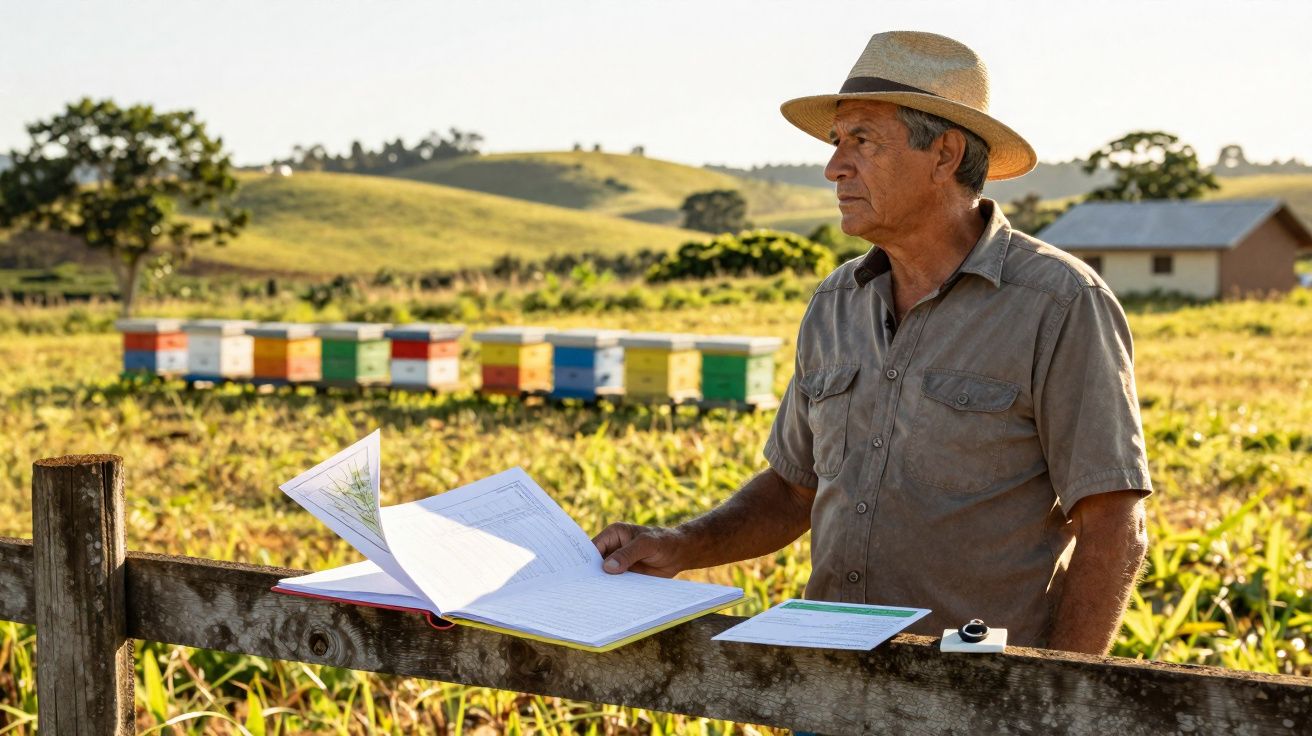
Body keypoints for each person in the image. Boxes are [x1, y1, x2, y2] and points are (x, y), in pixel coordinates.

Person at [593, 31, 1151, 654]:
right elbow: (791, 490)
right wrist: (678, 543)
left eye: (862, 141)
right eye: (838, 142)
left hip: (978, 698)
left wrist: (1056, 702)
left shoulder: (1059, 304)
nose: (834, 166)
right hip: (827, 676)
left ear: (943, 154)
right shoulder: (835, 304)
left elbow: (1111, 525)